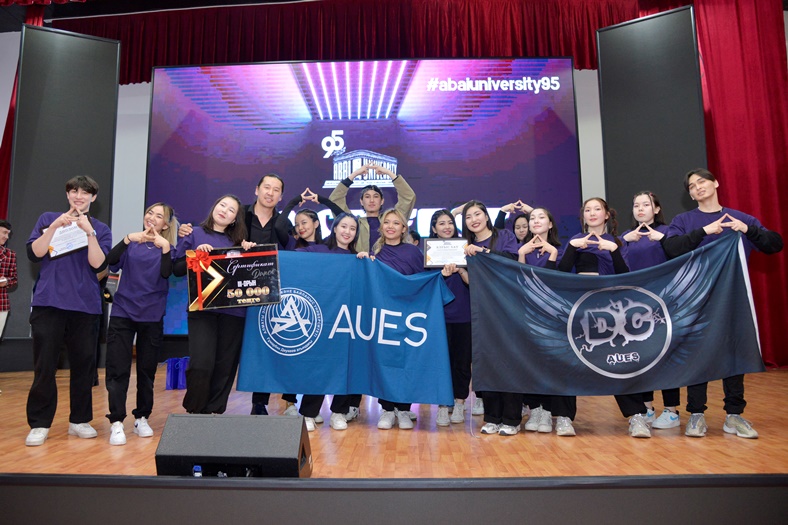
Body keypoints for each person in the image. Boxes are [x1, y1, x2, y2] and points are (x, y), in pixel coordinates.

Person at [661, 168, 783, 439]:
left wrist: (747, 230)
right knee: (697, 353)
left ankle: (734, 415)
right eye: (692, 186)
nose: (697, 187)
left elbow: (775, 244)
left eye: (702, 181)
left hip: (733, 298)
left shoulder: (740, 218)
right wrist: (704, 231)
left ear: (715, 183)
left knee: (734, 354)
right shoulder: (684, 220)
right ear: (690, 194)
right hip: (696, 299)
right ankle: (696, 414)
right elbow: (671, 248)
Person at [25, 176, 112, 447]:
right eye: (74, 191)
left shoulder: (100, 229)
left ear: (93, 198)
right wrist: (54, 227)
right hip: (48, 304)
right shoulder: (48, 218)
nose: (79, 196)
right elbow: (34, 253)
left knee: (84, 367)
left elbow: (98, 264)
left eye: (85, 192)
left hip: (85, 307)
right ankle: (39, 424)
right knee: (44, 366)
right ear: (67, 195)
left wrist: (89, 232)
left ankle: (79, 420)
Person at [558, 197, 642, 437]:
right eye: (587, 209)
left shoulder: (617, 242)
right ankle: (564, 418)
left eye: (597, 209)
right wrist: (573, 247)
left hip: (610, 309)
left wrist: (613, 250)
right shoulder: (576, 240)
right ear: (583, 216)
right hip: (580, 308)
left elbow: (625, 275)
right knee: (568, 361)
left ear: (607, 214)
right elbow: (561, 273)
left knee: (618, 361)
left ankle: (636, 417)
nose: (592, 213)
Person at [104, 203, 178, 445]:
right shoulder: (132, 242)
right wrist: (127, 238)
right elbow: (110, 261)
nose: (152, 218)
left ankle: (142, 417)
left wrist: (165, 248)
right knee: (117, 368)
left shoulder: (169, 248)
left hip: (152, 316)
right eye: (149, 213)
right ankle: (116, 421)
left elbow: (166, 273)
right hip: (123, 312)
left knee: (146, 371)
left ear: (165, 224)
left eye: (159, 216)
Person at [173, 194, 251, 415]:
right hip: (202, 309)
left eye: (231, 210)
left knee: (225, 366)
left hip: (234, 312)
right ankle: (195, 411)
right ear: (214, 207)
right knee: (201, 363)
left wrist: (251, 253)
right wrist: (195, 256)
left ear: (235, 219)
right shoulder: (194, 234)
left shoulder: (240, 243)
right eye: (222, 205)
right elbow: (176, 269)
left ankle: (214, 413)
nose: (224, 210)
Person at [293, 213, 362, 431]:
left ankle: (339, 412)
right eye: (344, 226)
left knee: (346, 367)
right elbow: (292, 259)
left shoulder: (357, 258)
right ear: (335, 228)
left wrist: (366, 262)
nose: (347, 231)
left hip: (346, 321)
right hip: (322, 319)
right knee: (319, 367)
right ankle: (308, 413)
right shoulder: (319, 250)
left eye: (352, 228)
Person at [619, 191, 680, 430]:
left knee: (666, 357)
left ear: (656, 209)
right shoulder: (626, 236)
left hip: (663, 303)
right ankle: (646, 407)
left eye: (646, 204)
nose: (640, 209)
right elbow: (617, 266)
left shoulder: (668, 232)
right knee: (641, 357)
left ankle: (672, 411)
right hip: (635, 306)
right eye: (636, 205)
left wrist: (662, 239)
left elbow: (680, 256)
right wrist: (624, 242)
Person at [460, 200, 521, 436]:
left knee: (509, 363)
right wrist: (461, 270)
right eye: (468, 217)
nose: (473, 220)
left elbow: (512, 261)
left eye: (477, 214)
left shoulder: (504, 236)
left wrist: (483, 252)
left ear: (486, 216)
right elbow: (473, 281)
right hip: (482, 312)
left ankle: (512, 419)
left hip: (507, 309)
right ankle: (492, 417)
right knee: (487, 364)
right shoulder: (465, 247)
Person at [366, 208, 425, 430]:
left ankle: (403, 409)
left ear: (403, 228)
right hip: (383, 316)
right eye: (387, 222)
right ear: (381, 227)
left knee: (405, 362)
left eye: (396, 223)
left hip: (407, 315)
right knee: (385, 361)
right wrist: (363, 261)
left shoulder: (413, 252)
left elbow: (422, 280)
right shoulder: (376, 252)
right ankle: (387, 410)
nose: (391, 226)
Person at [516, 207, 562, 434]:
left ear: (550, 224)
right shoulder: (523, 250)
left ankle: (548, 410)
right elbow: (520, 283)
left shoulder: (560, 250)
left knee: (551, 364)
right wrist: (521, 256)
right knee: (529, 362)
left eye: (541, 217)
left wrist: (552, 254)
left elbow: (552, 282)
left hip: (553, 318)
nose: (535, 221)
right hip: (528, 315)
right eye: (532, 218)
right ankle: (534, 408)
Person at [430, 210, 472, 427]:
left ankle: (459, 402)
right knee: (440, 363)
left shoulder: (466, 250)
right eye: (441, 223)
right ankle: (442, 405)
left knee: (462, 362)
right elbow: (424, 283)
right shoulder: (428, 253)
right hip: (439, 318)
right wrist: (441, 275)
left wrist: (462, 271)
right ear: (434, 228)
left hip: (464, 315)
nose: (446, 227)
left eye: (450, 222)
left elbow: (475, 282)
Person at [329, 162, 416, 253]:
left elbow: (408, 197)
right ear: (361, 202)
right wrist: (354, 174)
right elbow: (335, 200)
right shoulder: (354, 224)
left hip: (388, 261)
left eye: (376, 196)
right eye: (367, 197)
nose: (371, 200)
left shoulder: (393, 220)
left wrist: (389, 173)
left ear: (382, 201)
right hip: (361, 261)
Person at [0, 219, 17, 340]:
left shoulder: (10, 255)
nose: (7, 237)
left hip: (1, 303)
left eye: (8, 234)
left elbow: (14, 279)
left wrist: (6, 281)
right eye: (4, 232)